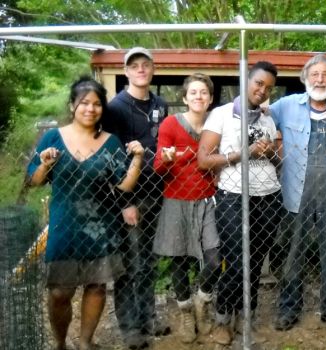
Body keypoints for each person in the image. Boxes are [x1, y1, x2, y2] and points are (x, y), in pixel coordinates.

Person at [27, 77, 144, 350]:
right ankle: (60, 343)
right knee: (59, 292)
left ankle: (85, 342)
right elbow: (34, 180)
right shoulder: (53, 137)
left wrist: (137, 159)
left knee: (97, 287)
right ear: (72, 105)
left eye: (96, 104)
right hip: (64, 228)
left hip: (102, 228)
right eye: (84, 103)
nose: (90, 109)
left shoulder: (111, 142)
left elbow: (125, 184)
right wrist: (44, 165)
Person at [197, 61, 283, 345]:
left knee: (256, 262)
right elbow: (203, 161)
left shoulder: (269, 118)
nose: (262, 91)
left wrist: (270, 152)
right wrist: (241, 154)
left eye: (268, 88)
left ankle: (247, 317)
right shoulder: (221, 114)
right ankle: (223, 318)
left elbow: (279, 162)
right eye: (259, 83)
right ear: (247, 80)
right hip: (233, 196)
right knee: (234, 261)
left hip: (268, 197)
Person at [269, 54, 326, 331]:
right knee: (293, 252)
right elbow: (256, 115)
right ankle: (289, 309)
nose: (320, 79)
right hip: (296, 191)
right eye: (314, 74)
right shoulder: (285, 106)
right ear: (305, 78)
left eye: (325, 74)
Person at [102, 47, 169, 349]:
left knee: (150, 262)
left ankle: (148, 317)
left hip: (158, 194)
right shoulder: (116, 108)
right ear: (126, 72)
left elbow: (161, 144)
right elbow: (112, 160)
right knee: (131, 263)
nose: (141, 70)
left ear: (152, 70)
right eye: (134, 66)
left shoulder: (160, 104)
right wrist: (124, 203)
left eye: (145, 65)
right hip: (131, 198)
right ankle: (130, 327)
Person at [153, 73, 221, 343]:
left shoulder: (216, 125)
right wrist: (167, 158)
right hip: (176, 201)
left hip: (207, 200)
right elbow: (158, 167)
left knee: (215, 259)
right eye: (193, 92)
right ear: (184, 98)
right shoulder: (171, 124)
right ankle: (186, 313)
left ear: (211, 98)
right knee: (179, 259)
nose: (198, 97)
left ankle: (202, 303)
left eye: (204, 92)